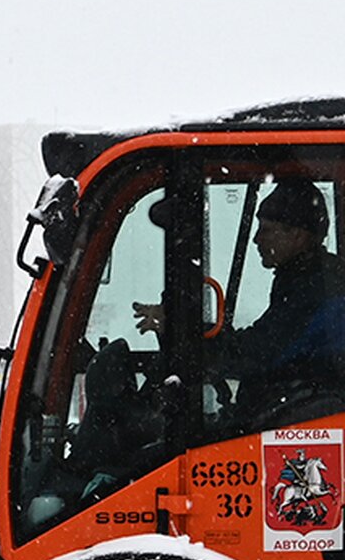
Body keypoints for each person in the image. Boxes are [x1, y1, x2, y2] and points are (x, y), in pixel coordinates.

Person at [134, 179, 345, 421]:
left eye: (265, 229)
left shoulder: (319, 288)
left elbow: (256, 354)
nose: (256, 239)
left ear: (297, 235)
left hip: (299, 422)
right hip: (286, 413)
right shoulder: (305, 279)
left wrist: (183, 332)